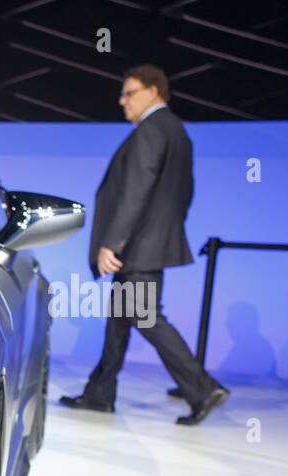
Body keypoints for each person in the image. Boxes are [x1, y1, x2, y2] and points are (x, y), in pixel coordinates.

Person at [60, 64, 229, 425]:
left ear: (153, 91)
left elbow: (136, 193)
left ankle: (201, 388)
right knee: (120, 320)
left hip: (137, 245)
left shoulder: (151, 130)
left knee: (145, 317)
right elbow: (184, 193)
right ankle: (99, 394)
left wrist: (113, 242)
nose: (122, 101)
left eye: (129, 93)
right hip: (149, 242)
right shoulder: (177, 131)